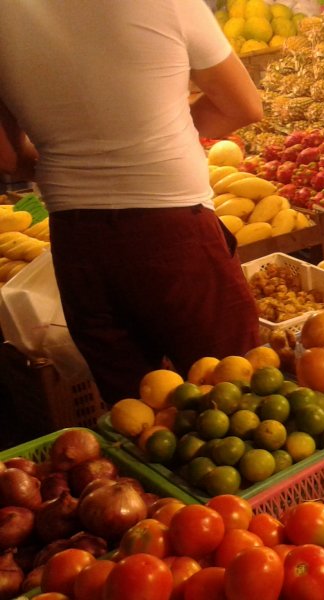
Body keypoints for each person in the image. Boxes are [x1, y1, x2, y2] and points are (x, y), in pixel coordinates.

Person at [0, 0, 264, 403]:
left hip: (77, 241)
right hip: (174, 229)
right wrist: (157, 139)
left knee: (134, 409)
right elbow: (243, 104)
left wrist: (75, 163)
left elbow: (7, 157)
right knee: (233, 395)